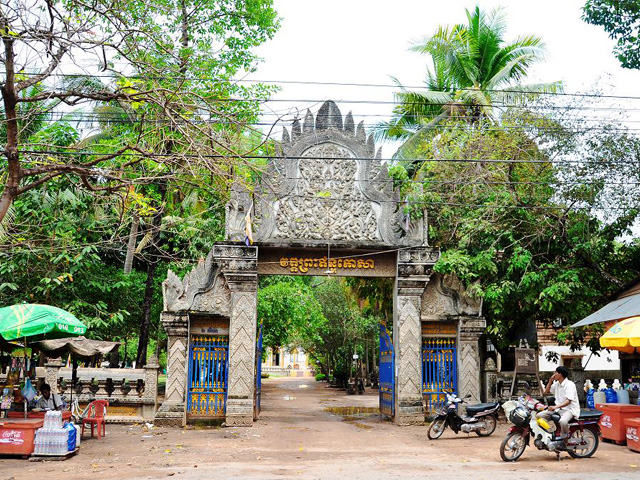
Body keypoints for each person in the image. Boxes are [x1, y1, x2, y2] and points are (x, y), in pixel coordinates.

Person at [538, 366, 580, 440]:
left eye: (555, 372)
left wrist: (555, 407)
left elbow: (568, 401)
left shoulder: (569, 385)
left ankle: (565, 438)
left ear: (560, 374)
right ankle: (550, 434)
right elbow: (546, 392)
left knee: (563, 421)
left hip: (569, 409)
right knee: (539, 415)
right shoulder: (557, 384)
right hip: (558, 409)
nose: (554, 374)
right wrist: (550, 381)